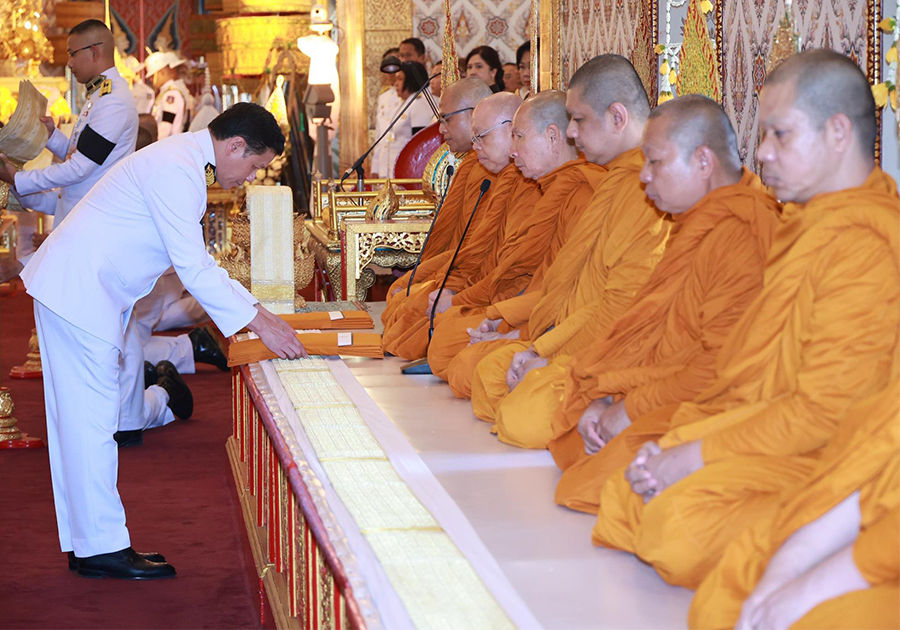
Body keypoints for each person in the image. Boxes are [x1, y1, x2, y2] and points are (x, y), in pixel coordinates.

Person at [593, 49, 900, 590]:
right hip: (775, 433)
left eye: (780, 135)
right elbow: (754, 381)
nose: (761, 153)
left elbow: (824, 416)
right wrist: (685, 445)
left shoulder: (864, 246)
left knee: (675, 526)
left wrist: (695, 453)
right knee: (631, 490)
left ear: (837, 132)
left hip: (835, 459)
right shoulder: (807, 224)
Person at [20, 102, 306, 579]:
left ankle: (90, 543)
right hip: (78, 294)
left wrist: (255, 315)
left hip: (76, 290)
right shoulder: (179, 169)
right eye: (255, 165)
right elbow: (194, 267)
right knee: (91, 422)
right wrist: (261, 321)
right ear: (235, 145)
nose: (251, 177)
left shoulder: (183, 160)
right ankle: (101, 548)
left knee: (80, 423)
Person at [539, 95, 779, 511]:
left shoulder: (741, 231)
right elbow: (649, 332)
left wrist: (630, 408)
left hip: (714, 401)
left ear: (703, 161)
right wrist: (609, 394)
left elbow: (720, 367)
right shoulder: (694, 223)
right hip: (667, 387)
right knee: (578, 433)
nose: (644, 176)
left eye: (654, 162)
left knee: (600, 490)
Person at [448, 54, 668, 398]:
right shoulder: (611, 181)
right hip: (564, 329)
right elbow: (564, 284)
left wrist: (541, 348)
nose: (571, 132)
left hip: (612, 349)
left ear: (617, 117)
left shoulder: (646, 188)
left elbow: (621, 303)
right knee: (479, 370)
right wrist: (526, 336)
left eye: (578, 120)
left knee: (500, 388)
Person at [419, 91, 607, 368]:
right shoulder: (548, 188)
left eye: (518, 136)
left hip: (556, 323)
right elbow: (502, 263)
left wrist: (508, 324)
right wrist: (498, 316)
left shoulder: (584, 193)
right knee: (446, 338)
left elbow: (567, 292)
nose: (512, 150)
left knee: (461, 356)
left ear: (552, 136)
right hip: (526, 309)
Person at [690, 380, 899, 630]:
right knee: (724, 605)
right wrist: (781, 578)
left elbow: (818, 412)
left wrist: (812, 590)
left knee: (837, 620)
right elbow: (869, 467)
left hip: (883, 560)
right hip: (858, 510)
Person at [380, 92, 540, 358]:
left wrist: (458, 298)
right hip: (478, 282)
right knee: (405, 297)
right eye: (474, 138)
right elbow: (471, 248)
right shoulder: (490, 174)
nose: (475, 146)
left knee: (440, 336)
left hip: (512, 300)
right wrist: (447, 284)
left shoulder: (537, 186)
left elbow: (516, 271)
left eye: (482, 137)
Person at [0, 19, 137, 227]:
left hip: (94, 223)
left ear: (94, 52)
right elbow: (83, 155)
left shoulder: (113, 101)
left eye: (73, 54)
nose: (69, 63)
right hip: (82, 213)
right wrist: (50, 135)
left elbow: (79, 168)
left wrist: (19, 178)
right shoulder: (101, 94)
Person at [379, 77, 494, 313]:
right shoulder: (471, 166)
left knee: (409, 305)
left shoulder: (501, 173)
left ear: (475, 114)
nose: (441, 129)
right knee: (400, 294)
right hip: (457, 273)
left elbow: (481, 252)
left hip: (479, 284)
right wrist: (426, 280)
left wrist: (445, 287)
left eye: (446, 119)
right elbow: (454, 242)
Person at [146, 50, 192, 139]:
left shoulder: (171, 95)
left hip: (168, 143)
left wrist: (155, 143)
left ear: (161, 73)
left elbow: (166, 126)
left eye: (152, 76)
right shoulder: (166, 93)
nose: (151, 80)